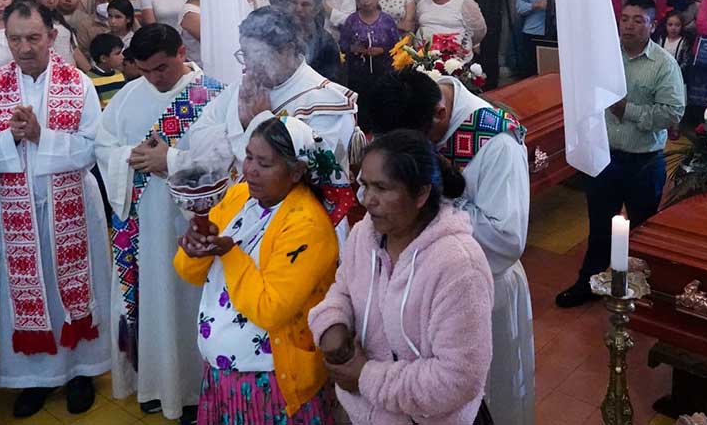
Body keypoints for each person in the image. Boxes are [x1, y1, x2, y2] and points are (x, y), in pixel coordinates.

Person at [362, 70, 534, 425]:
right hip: (415, 287)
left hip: (480, 287)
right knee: (422, 389)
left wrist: (428, 208)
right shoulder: (411, 96)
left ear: (439, 114)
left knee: (482, 399)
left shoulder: (496, 140)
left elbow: (508, 238)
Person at [0, 2, 111, 416]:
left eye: (33, 37)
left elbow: (91, 148)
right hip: (15, 212)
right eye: (15, 39)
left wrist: (42, 135)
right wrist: (9, 139)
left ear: (51, 36)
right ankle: (35, 378)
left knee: (77, 289)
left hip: (73, 208)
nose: (24, 47)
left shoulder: (77, 84)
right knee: (27, 292)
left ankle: (82, 370)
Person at [309, 130, 493, 425]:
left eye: (382, 188)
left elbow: (458, 378)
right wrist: (332, 326)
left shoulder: (459, 266)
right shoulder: (363, 236)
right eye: (365, 186)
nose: (368, 200)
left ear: (421, 194)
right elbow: (342, 290)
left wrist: (365, 377)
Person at [173, 114, 340, 425]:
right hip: (223, 376)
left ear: (296, 172)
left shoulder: (307, 225)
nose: (250, 169)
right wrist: (195, 246)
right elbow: (190, 274)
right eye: (249, 156)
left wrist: (227, 251)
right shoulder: (239, 195)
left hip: (270, 385)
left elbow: (271, 309)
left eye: (264, 164)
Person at [96, 24, 226, 424]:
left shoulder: (213, 95)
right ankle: (156, 386)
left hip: (191, 225)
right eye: (146, 70)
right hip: (143, 226)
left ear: (182, 51)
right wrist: (129, 158)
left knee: (189, 304)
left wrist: (169, 162)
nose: (155, 78)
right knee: (153, 301)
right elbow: (102, 144)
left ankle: (195, 390)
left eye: (163, 68)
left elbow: (223, 162)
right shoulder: (130, 96)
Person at [173, 7, 359, 241]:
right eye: (244, 54)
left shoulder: (325, 102)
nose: (249, 65)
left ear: (288, 50)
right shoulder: (243, 90)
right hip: (239, 220)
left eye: (258, 55)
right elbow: (198, 140)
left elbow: (308, 175)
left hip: (300, 230)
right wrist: (241, 123)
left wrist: (260, 122)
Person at [557, 0, 685, 308]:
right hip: (604, 157)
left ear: (652, 25)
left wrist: (626, 109)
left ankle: (645, 289)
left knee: (642, 228)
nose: (628, 24)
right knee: (600, 225)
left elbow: (672, 113)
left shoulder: (663, 64)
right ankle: (589, 281)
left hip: (643, 161)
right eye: (625, 18)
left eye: (638, 19)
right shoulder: (604, 57)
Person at [339, 0, 400, 128]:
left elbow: (396, 46)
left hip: (383, 72)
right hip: (358, 74)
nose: (365, 0)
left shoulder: (387, 20)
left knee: (383, 109)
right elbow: (343, 44)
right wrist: (355, 48)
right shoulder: (352, 20)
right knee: (362, 112)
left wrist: (382, 50)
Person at [417, 0, 487, 61]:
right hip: (425, 58)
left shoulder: (464, 3)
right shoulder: (423, 2)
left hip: (456, 59)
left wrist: (466, 45)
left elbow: (479, 31)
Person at [287, 0, 344, 84]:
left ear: (317, 9)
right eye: (294, 3)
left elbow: (333, 81)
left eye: (305, 5)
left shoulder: (326, 42)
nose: (298, 9)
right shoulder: (278, 36)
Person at [32, 0, 87, 70]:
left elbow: (74, 50)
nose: (51, 1)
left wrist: (92, 74)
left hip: (71, 74)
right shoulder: (30, 21)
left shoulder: (60, 19)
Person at [87, 33, 127, 109]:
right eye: (118, 53)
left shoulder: (120, 75)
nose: (122, 56)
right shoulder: (89, 80)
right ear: (103, 58)